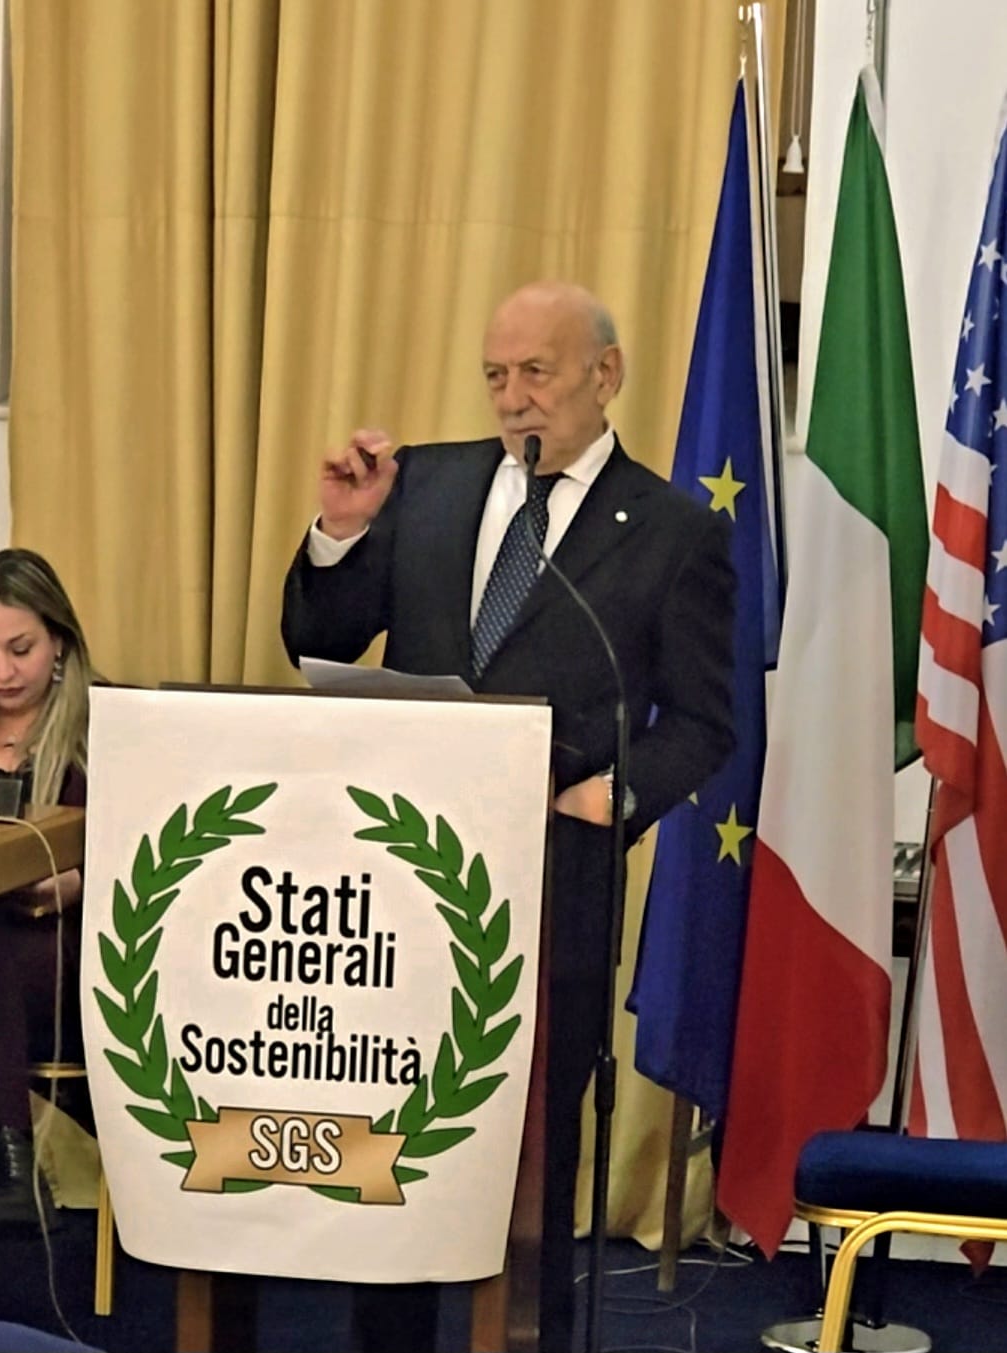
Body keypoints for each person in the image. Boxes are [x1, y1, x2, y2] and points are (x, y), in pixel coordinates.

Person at [281, 281, 736, 1352]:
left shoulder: (671, 530)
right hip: (400, 878)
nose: (512, 396)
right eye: (496, 374)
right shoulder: (424, 484)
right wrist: (342, 532)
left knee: (531, 1152)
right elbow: (324, 641)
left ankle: (527, 1334)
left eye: (537, 372)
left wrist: (612, 795)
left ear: (604, 375)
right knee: (396, 1125)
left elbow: (703, 720)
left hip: (553, 879)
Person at [0, 549, 95, 1241]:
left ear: (58, 640)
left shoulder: (107, 727)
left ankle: (7, 1160)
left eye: (19, 649)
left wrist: (78, 882)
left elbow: (157, 854)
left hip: (64, 942)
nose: (1, 672)